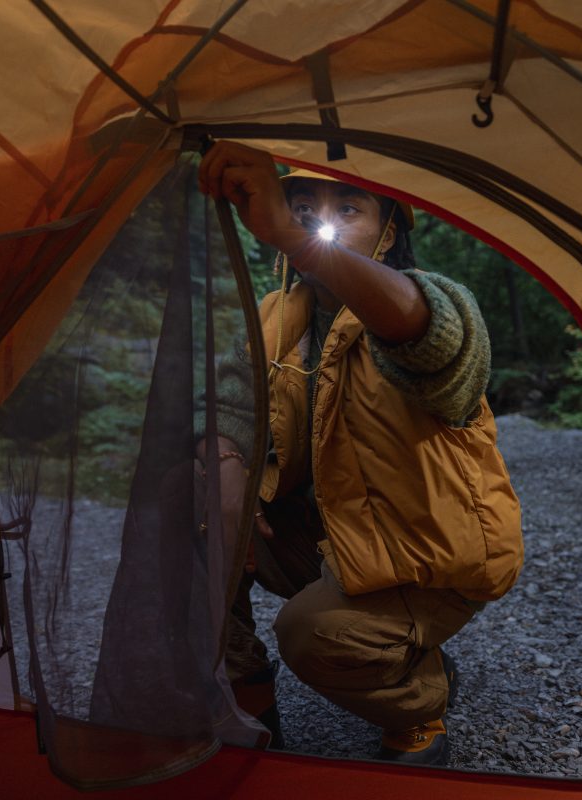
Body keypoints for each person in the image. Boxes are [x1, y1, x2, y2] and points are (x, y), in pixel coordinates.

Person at [195, 141, 523, 765]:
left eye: (350, 206)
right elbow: (228, 404)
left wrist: (295, 236)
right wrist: (226, 460)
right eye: (304, 204)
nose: (325, 221)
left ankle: (422, 703)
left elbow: (427, 337)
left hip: (426, 554)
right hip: (335, 539)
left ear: (389, 229)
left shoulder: (428, 302)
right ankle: (249, 696)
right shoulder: (275, 317)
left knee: (312, 635)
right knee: (188, 500)